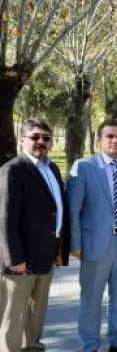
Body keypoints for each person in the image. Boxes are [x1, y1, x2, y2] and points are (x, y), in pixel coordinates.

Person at [67, 119, 117, 352]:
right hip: (95, 243)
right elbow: (73, 209)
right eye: (109, 136)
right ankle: (90, 344)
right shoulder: (83, 167)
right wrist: (75, 242)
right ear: (99, 139)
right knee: (91, 299)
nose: (115, 140)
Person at [0, 118, 70, 351]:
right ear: (22, 140)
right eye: (35, 137)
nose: (41, 141)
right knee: (13, 317)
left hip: (45, 255)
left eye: (46, 138)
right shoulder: (12, 170)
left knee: (36, 313)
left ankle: (32, 347)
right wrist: (14, 258)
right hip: (20, 260)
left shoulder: (52, 168)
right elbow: (5, 219)